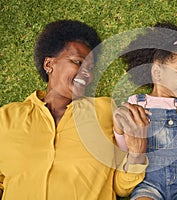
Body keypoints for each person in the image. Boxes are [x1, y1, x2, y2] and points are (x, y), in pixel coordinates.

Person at [0, 19, 149, 200]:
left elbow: (121, 186)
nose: (88, 73)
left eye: (91, 68)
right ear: (49, 65)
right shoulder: (7, 117)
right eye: (78, 62)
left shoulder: (104, 111)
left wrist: (137, 152)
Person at [113, 23, 177, 200]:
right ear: (157, 72)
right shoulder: (136, 102)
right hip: (147, 185)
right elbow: (126, 149)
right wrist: (118, 128)